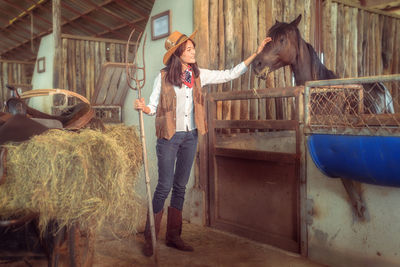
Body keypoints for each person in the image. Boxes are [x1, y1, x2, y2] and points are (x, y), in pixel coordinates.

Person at [134, 30, 271, 257]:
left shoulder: (199, 75)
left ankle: (174, 236)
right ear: (178, 54)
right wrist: (143, 107)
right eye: (188, 49)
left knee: (180, 186)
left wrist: (255, 54)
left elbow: (229, 74)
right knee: (164, 187)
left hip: (191, 136)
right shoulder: (163, 77)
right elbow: (153, 107)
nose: (193, 51)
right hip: (168, 138)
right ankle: (151, 237)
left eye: (192, 48)